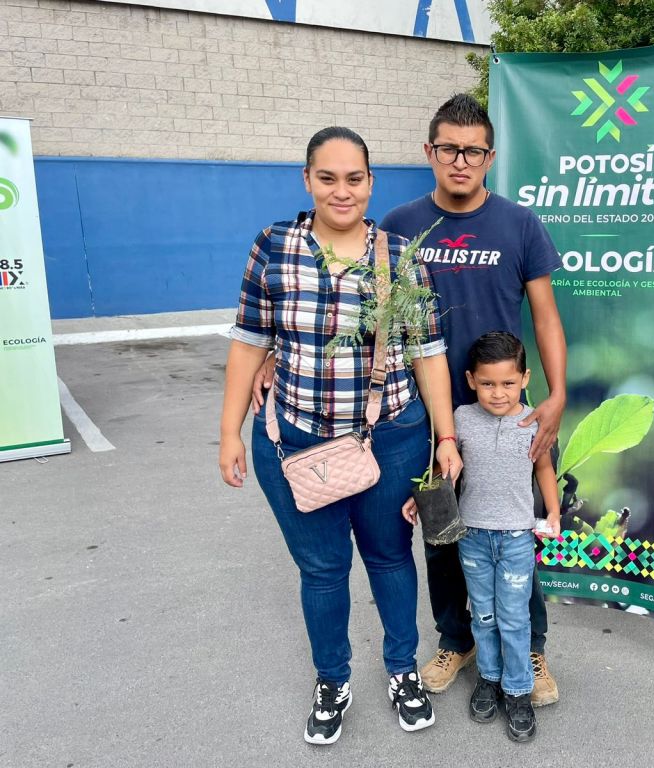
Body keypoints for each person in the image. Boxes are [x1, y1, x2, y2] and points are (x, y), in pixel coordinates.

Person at [253, 94, 567, 705]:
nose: (460, 160)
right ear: (429, 151)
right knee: (443, 534)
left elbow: (547, 317)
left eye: (473, 150)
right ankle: (457, 640)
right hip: (423, 418)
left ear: (490, 157)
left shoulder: (519, 224)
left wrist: (555, 396)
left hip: (503, 413)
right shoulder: (394, 228)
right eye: (448, 147)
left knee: (513, 529)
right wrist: (275, 349)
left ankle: (531, 646)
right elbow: (327, 299)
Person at [219, 126, 461, 746]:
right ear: (307, 180)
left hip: (393, 436)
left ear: (370, 183)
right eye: (327, 177)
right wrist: (228, 433)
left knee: (388, 557)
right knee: (322, 571)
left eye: (354, 178)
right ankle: (332, 680)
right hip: (296, 440)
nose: (341, 190)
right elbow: (250, 340)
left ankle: (402, 670)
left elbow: (429, 353)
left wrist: (446, 439)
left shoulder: (400, 254)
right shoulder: (273, 247)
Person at [402, 332, 561, 742]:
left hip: (516, 540)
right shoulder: (461, 420)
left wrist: (554, 511)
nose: (498, 393)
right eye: (488, 383)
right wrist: (424, 497)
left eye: (508, 383)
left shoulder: (533, 422)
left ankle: (519, 689)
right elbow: (448, 469)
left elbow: (544, 469)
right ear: (471, 380)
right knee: (485, 614)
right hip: (472, 538)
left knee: (514, 616)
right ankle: (488, 678)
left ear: (525, 379)